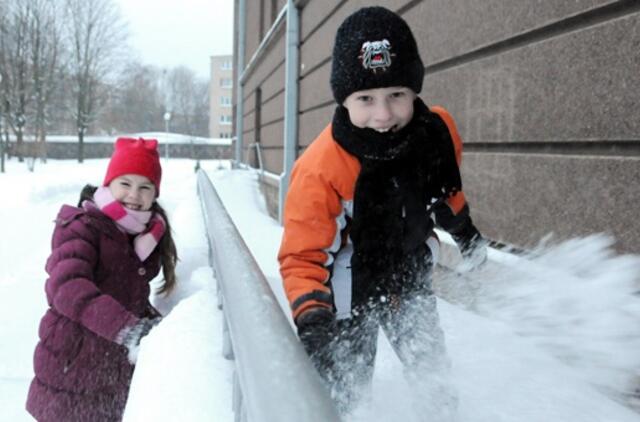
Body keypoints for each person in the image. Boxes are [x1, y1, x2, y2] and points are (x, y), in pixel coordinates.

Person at [277, 6, 487, 418]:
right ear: (344, 98)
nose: (384, 113)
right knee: (346, 395)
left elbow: (443, 189)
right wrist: (313, 317)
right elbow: (302, 255)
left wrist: (463, 230)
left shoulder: (436, 133)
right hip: (347, 293)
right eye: (365, 98)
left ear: (414, 90)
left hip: (409, 280)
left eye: (396, 94)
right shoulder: (322, 167)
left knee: (434, 380)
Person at [26, 137, 178, 422]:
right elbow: (67, 286)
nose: (134, 194)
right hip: (71, 367)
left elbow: (130, 293)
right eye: (125, 183)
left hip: (111, 371)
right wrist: (126, 329)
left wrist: (164, 328)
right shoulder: (82, 226)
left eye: (145, 187)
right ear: (108, 184)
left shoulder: (146, 235)